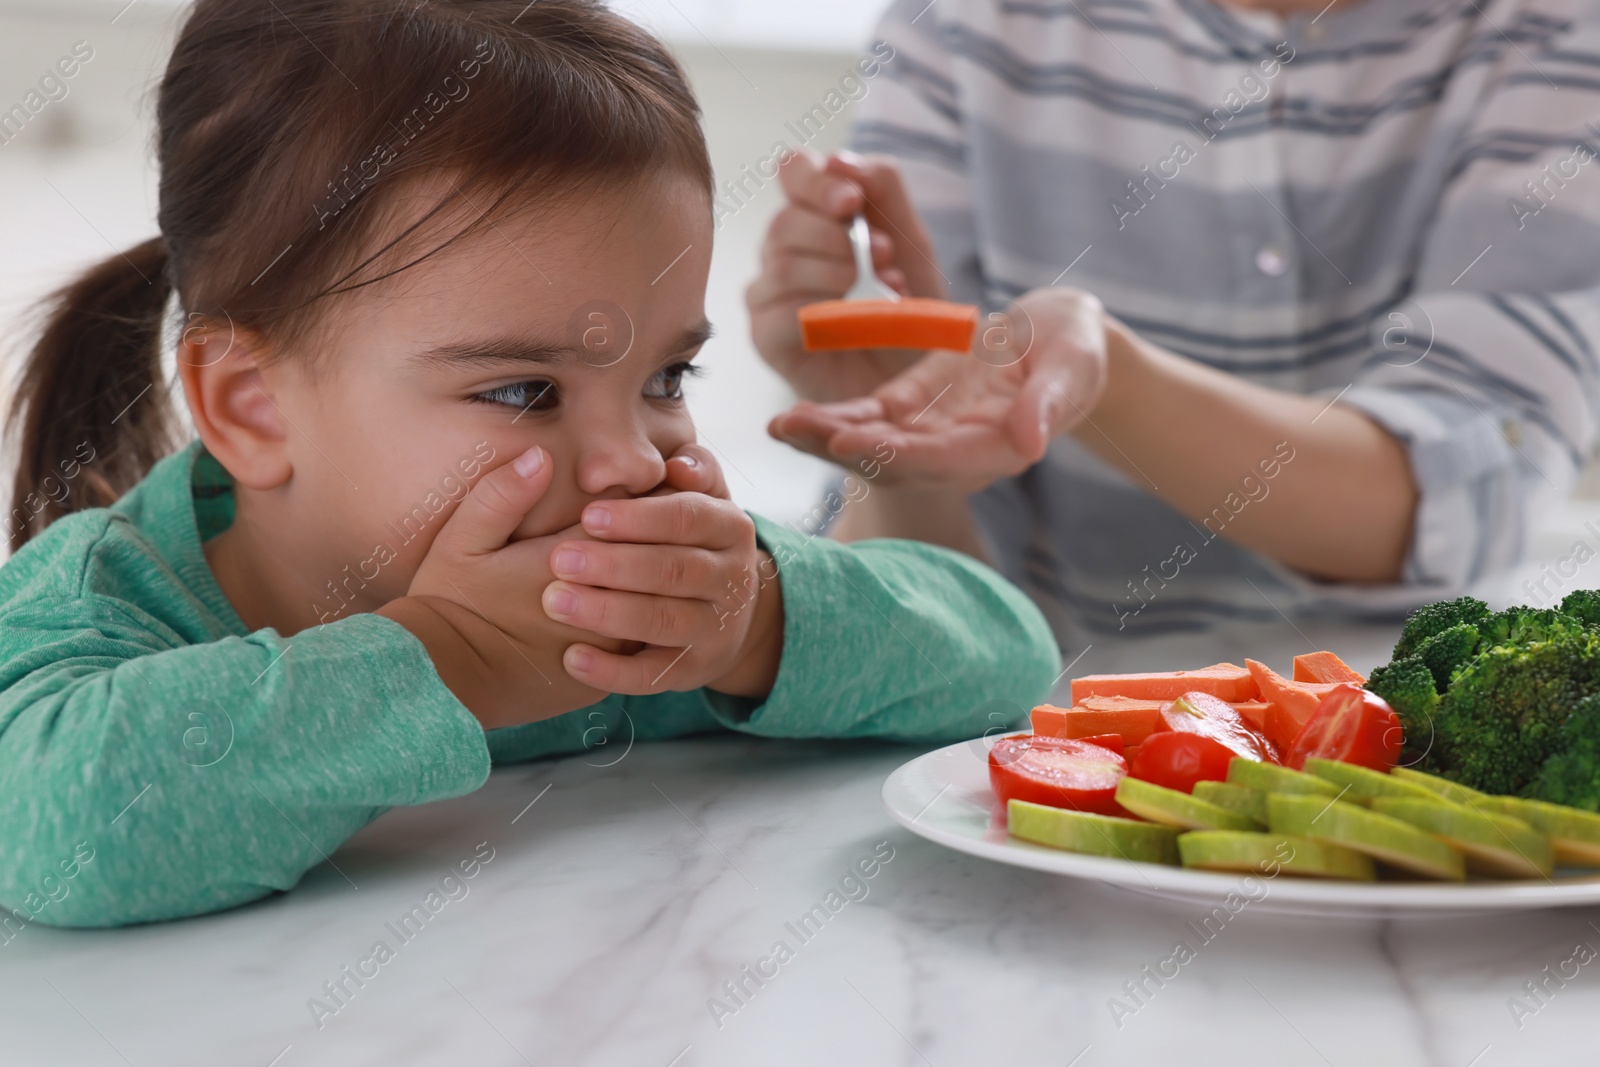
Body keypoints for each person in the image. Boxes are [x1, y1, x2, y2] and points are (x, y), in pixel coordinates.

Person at [0, 0, 1059, 929]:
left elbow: (1005, 657)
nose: (628, 461)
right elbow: (57, 837)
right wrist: (450, 656)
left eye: (665, 376)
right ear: (254, 406)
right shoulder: (105, 607)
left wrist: (751, 624)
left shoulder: (632, 597)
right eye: (521, 392)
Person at [750, 0, 1600, 646]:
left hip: (1401, 747)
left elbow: (1472, 483)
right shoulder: (967, 22)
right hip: (1018, 732)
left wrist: (1111, 381)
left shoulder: (1553, 27)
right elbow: (934, 613)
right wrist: (902, 435)